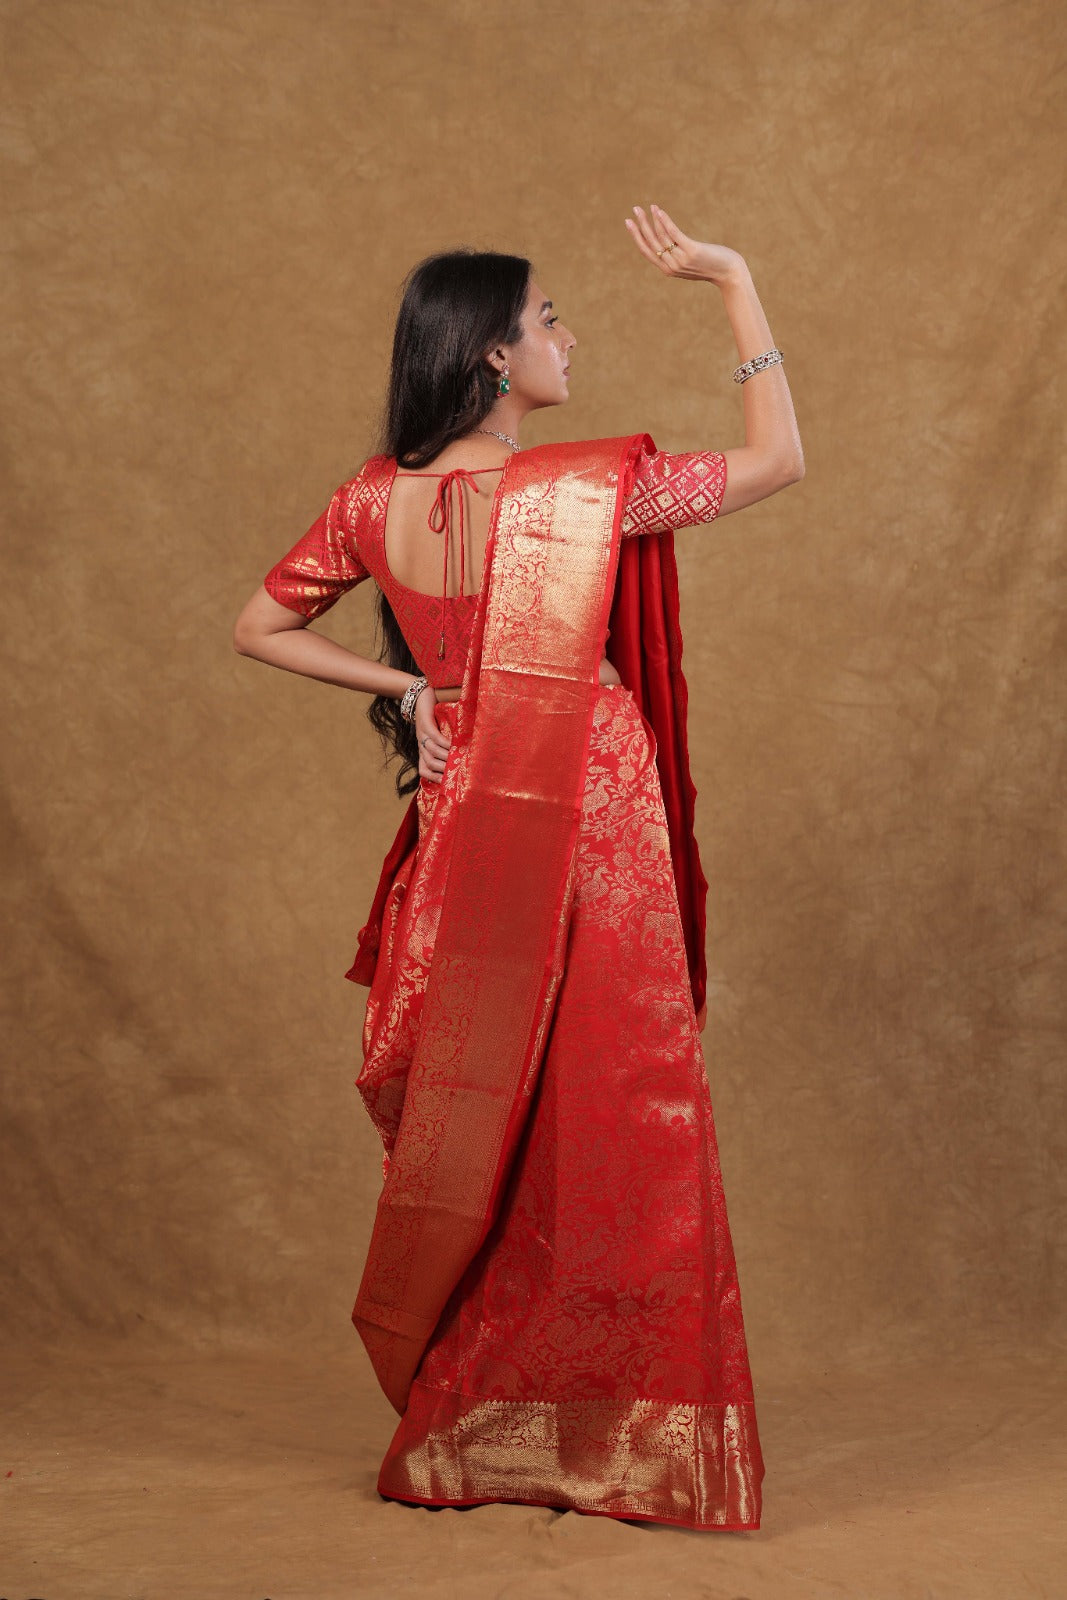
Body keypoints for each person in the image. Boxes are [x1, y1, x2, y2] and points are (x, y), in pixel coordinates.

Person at [233, 203, 804, 1532]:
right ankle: (623, 1437)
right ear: (494, 354)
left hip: (472, 819)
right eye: (549, 318)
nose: (567, 337)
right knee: (614, 1114)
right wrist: (735, 283)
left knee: (492, 1118)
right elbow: (779, 459)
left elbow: (258, 626)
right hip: (592, 811)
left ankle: (479, 1429)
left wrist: (412, 690)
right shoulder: (583, 497)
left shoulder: (369, 501)